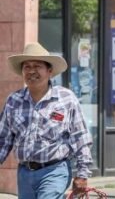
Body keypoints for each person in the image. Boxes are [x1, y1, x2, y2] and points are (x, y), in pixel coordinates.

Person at [0, 42, 93, 198]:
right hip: (25, 174)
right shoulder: (14, 101)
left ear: (49, 71)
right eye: (27, 67)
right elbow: (3, 140)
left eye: (37, 66)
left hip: (55, 171)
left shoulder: (66, 99)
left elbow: (80, 138)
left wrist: (82, 174)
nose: (31, 71)